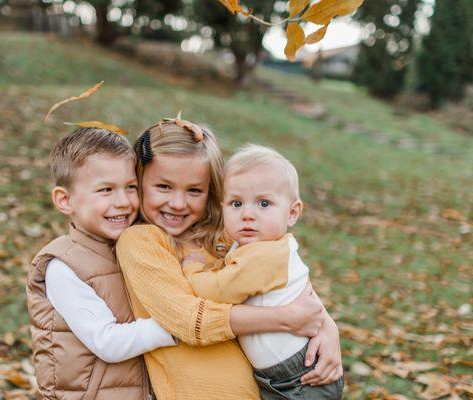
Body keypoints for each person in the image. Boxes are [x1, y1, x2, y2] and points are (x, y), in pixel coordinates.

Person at [116, 119, 340, 400]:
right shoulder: (142, 241)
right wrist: (282, 320)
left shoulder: (222, 235)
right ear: (139, 182)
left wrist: (327, 327)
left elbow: (283, 276)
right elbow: (188, 321)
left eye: (194, 190)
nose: (177, 203)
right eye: (163, 186)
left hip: (269, 389)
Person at [181, 144, 343, 399]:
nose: (247, 214)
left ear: (292, 213)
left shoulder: (265, 254)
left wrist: (192, 269)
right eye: (236, 203)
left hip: (301, 378)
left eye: (264, 203)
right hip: (281, 376)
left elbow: (217, 291)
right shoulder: (257, 246)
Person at [26, 127, 176, 400]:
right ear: (65, 200)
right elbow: (108, 343)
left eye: (130, 187)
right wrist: (178, 324)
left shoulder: (134, 248)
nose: (122, 202)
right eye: (105, 190)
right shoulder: (63, 266)